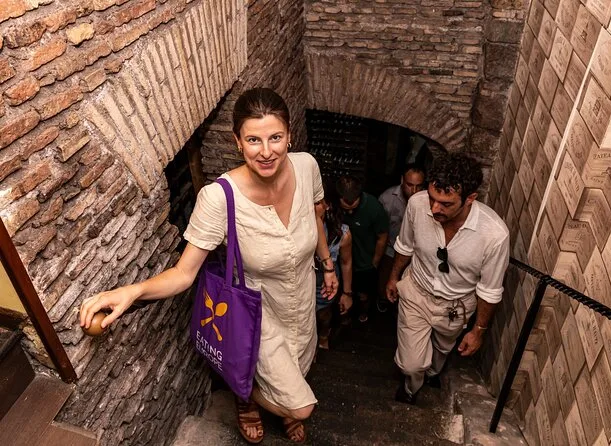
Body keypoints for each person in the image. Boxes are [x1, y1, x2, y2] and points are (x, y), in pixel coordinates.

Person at [79, 88, 339, 444]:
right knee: (301, 407)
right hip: (256, 312)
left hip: (301, 300)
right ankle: (249, 398)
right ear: (237, 142)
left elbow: (315, 215)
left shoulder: (307, 166)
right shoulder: (218, 198)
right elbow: (184, 273)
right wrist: (133, 291)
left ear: (289, 135)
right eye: (254, 140)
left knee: (299, 364)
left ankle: (277, 400)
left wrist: (327, 264)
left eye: (275, 138)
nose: (266, 151)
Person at [386, 153, 509, 405]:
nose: (434, 208)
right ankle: (410, 388)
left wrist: (478, 331)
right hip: (416, 292)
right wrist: (393, 277)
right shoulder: (417, 204)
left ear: (470, 199)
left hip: (456, 306)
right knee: (411, 364)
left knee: (442, 350)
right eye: (432, 198)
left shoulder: (494, 235)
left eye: (445, 203)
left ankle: (432, 373)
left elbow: (489, 290)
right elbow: (405, 245)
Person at [336, 175, 389, 323]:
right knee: (341, 290)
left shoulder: (374, 208)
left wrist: (374, 262)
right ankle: (344, 315)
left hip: (364, 262)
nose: (350, 213)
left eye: (353, 209)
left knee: (363, 294)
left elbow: (382, 236)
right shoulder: (333, 206)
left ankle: (363, 312)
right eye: (346, 209)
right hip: (340, 260)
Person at [376, 164, 425, 313]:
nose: (414, 191)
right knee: (385, 281)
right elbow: (379, 230)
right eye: (410, 185)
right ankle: (383, 302)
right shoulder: (386, 198)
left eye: (419, 186)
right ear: (402, 180)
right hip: (390, 251)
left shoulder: (428, 201)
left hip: (415, 254)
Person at [314, 179, 353, 350]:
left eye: (316, 203)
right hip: (300, 282)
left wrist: (347, 293)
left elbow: (346, 262)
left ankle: (323, 336)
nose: (310, 208)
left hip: (324, 284)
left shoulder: (341, 234)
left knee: (323, 315)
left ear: (327, 205)